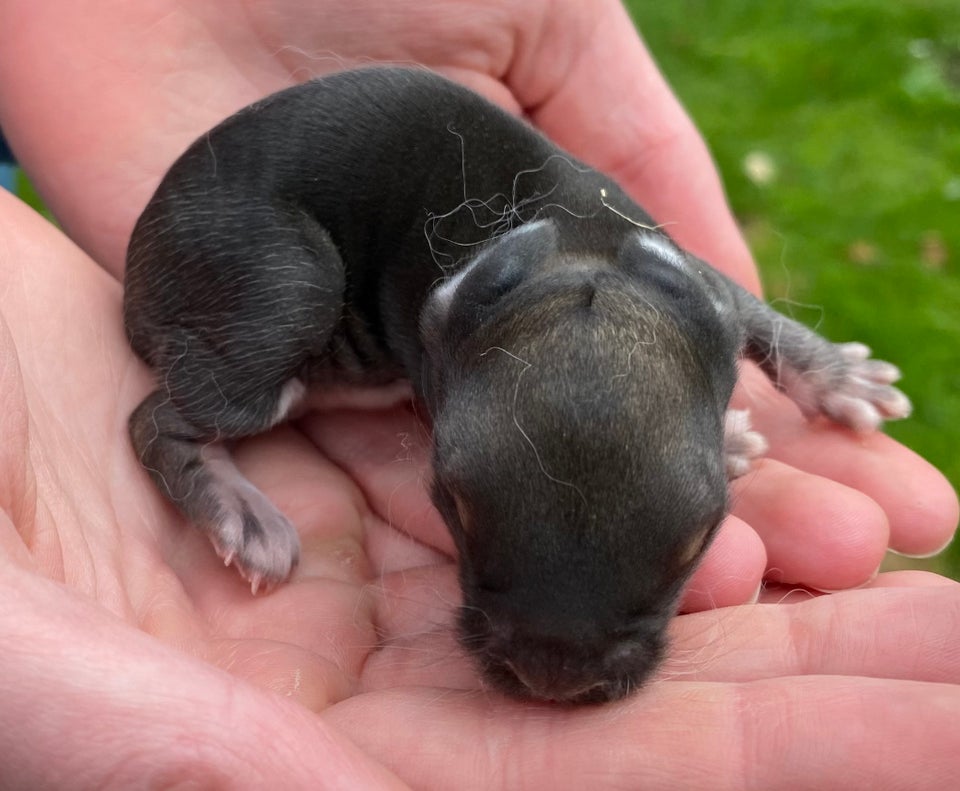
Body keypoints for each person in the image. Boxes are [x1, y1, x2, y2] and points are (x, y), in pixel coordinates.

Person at [0, 0, 957, 786]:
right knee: (260, 370)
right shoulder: (469, 311)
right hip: (261, 228)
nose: (547, 669)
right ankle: (180, 436)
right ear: (456, 347)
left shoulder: (672, 298)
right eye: (474, 527)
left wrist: (809, 361)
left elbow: (719, 299)